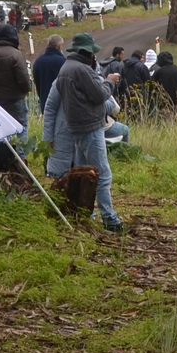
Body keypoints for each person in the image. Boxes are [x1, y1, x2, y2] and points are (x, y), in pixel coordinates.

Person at [41, 32, 126, 231]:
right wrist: (110, 81)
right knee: (102, 174)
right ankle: (110, 219)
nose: (94, 56)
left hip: (75, 129)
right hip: (90, 127)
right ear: (86, 53)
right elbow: (100, 96)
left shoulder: (65, 68)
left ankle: (84, 212)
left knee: (80, 173)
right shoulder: (81, 70)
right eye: (92, 53)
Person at [0, 22, 32, 154]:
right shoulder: (16, 55)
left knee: (2, 129)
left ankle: (3, 157)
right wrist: (25, 90)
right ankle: (21, 157)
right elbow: (24, 80)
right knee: (22, 128)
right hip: (16, 99)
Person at [31, 35, 66, 118]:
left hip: (44, 101)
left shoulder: (38, 61)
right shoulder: (63, 62)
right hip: (60, 104)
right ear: (59, 46)